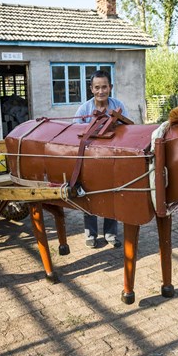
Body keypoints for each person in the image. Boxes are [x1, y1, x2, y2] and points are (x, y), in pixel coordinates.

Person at [74, 70, 129, 249]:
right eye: (97, 87)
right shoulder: (84, 109)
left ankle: (110, 234)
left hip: (111, 158)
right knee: (89, 193)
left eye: (104, 87)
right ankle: (91, 234)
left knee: (111, 193)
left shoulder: (118, 105)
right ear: (91, 89)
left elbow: (127, 129)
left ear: (110, 87)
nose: (101, 91)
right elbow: (75, 135)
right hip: (90, 159)